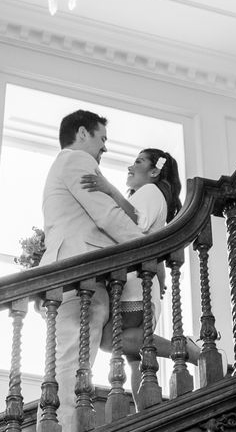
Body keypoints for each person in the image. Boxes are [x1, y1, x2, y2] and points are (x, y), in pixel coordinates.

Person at [39, 110, 144, 432]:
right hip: (77, 276)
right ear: (83, 133)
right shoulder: (76, 160)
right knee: (72, 361)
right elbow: (107, 215)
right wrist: (147, 250)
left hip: (77, 277)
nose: (104, 148)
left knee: (72, 359)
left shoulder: (64, 164)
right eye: (102, 138)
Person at [80, 148, 200, 381]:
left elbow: (138, 222)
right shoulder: (147, 194)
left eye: (138, 161)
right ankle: (144, 401)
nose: (130, 166)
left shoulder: (151, 191)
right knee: (135, 359)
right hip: (135, 285)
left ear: (154, 171)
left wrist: (110, 189)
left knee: (110, 340)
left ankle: (185, 348)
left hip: (134, 286)